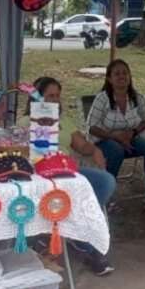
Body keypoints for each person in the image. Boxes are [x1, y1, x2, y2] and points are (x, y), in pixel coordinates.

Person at [32, 76, 115, 275]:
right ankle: (83, 242)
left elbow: (82, 145)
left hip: (66, 170)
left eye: (58, 96)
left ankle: (75, 231)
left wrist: (94, 150)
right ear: (38, 98)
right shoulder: (27, 120)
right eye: (50, 96)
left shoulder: (65, 122)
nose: (55, 100)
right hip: (39, 173)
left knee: (106, 181)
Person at [86, 59, 145, 211]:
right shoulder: (103, 98)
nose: (122, 76)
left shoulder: (137, 97)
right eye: (117, 73)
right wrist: (116, 137)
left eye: (125, 73)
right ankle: (107, 196)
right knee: (115, 150)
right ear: (109, 78)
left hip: (130, 139)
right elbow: (91, 127)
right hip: (104, 140)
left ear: (130, 76)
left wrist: (132, 133)